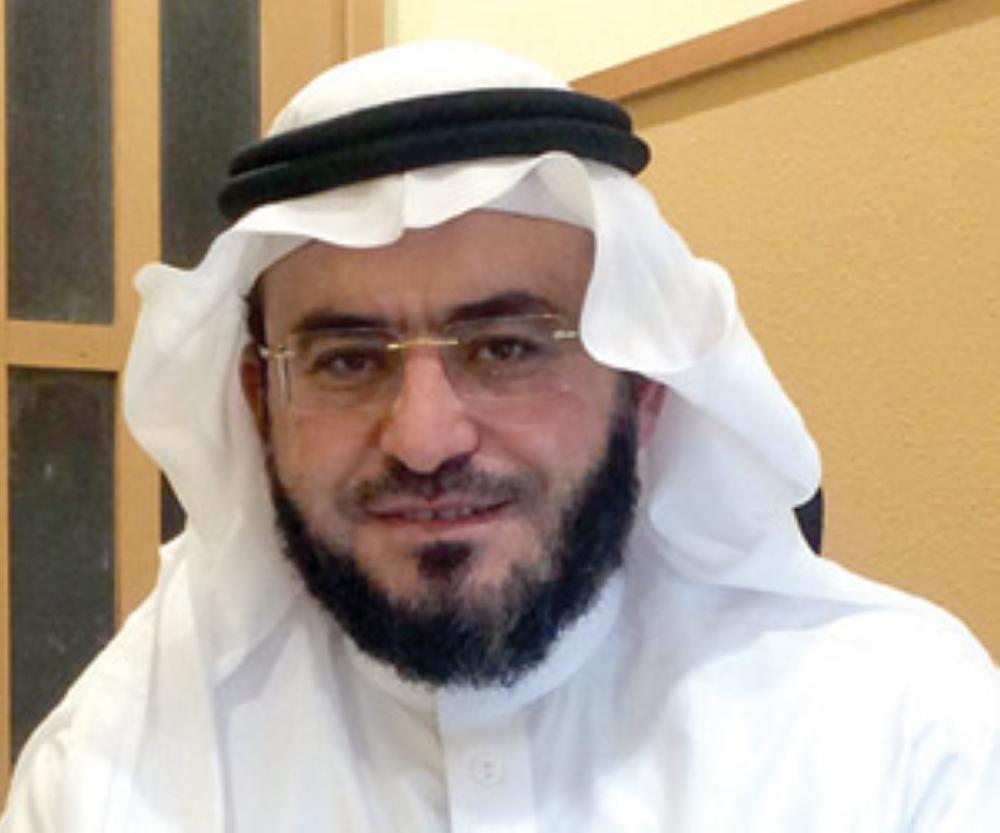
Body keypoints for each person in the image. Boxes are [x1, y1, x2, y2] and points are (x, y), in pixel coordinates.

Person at [2, 41, 997, 832]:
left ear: (643, 383)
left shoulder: (899, 725)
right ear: (260, 400)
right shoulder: (112, 770)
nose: (425, 436)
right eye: (347, 360)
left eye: (507, 347)